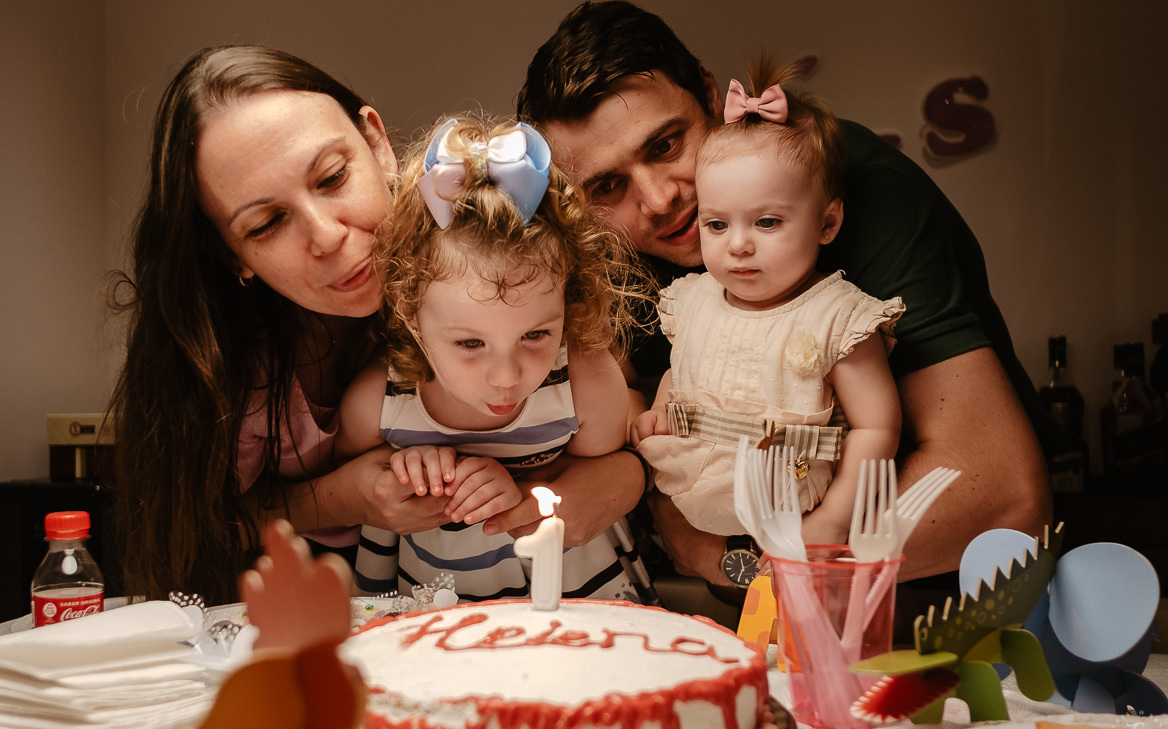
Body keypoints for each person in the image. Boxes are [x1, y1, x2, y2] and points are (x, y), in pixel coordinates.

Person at [518, 1, 1057, 587]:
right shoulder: (613, 251)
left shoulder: (853, 184)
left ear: (708, 92)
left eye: (666, 145)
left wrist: (739, 562)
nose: (656, 200)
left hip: (944, 615)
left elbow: (1003, 495)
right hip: (758, 634)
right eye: (608, 185)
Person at [109, 45, 645, 605]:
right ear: (229, 254)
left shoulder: (484, 259)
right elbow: (198, 530)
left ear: (375, 142)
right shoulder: (232, 363)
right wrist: (345, 497)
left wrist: (615, 479)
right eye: (267, 223)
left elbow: (625, 408)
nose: (327, 235)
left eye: (333, 177)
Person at [336, 115, 641, 601]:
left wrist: (524, 486)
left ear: (569, 301)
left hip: (577, 604)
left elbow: (604, 474)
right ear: (411, 316)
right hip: (436, 619)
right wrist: (409, 468)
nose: (507, 376)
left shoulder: (584, 382)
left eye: (537, 334)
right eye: (470, 344)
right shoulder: (377, 405)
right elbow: (357, 486)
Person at [630, 62, 904, 546]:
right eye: (716, 225)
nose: (738, 245)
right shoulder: (693, 300)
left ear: (827, 223)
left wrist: (834, 522)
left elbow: (877, 427)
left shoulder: (836, 317)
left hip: (793, 490)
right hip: (695, 487)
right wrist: (663, 404)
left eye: (768, 222)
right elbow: (685, 364)